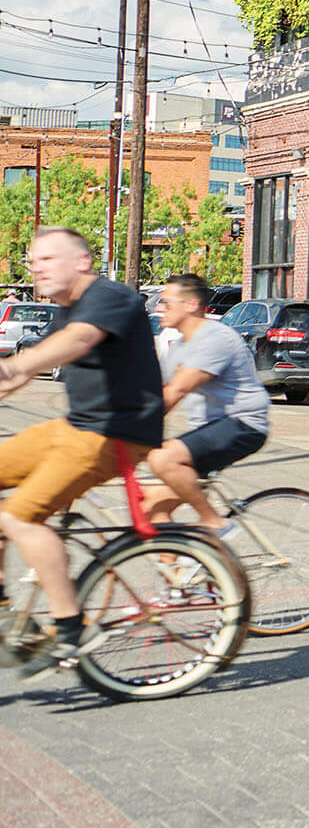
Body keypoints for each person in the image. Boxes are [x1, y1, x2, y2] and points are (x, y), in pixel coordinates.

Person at [0, 228, 166, 679]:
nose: (35, 266)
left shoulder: (110, 296)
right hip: (76, 428)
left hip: (116, 433)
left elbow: (77, 342)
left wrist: (13, 364)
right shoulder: (67, 309)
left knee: (17, 517)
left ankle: (70, 627)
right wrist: (10, 375)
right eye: (32, 259)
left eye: (47, 258)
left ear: (81, 261)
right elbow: (19, 377)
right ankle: (2, 611)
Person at [142, 274, 270, 536]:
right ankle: (182, 575)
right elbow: (157, 395)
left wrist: (132, 429)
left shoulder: (214, 338)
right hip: (209, 430)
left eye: (165, 302)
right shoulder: (179, 346)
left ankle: (214, 521)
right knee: (152, 508)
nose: (158, 307)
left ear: (190, 304)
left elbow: (177, 391)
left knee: (163, 457)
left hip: (243, 425)